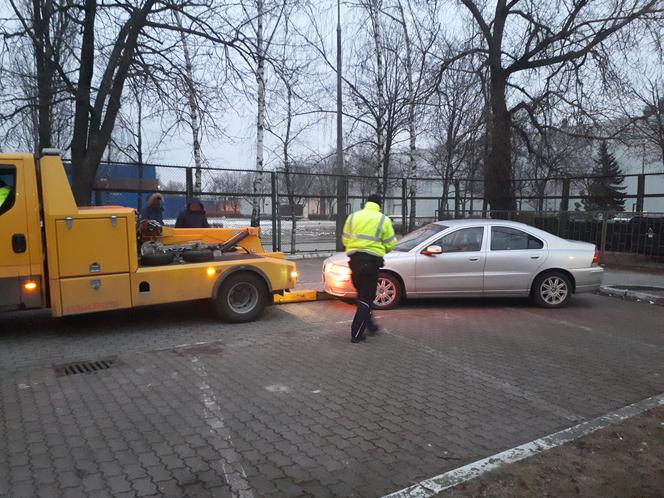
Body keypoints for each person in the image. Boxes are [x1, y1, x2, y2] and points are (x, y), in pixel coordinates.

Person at [342, 194, 396, 343]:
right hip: (371, 263)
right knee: (366, 298)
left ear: (366, 203)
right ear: (380, 205)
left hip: (354, 261)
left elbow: (345, 239)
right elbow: (390, 243)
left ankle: (370, 325)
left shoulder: (353, 217)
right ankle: (357, 334)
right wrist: (381, 249)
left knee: (362, 296)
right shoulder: (383, 219)